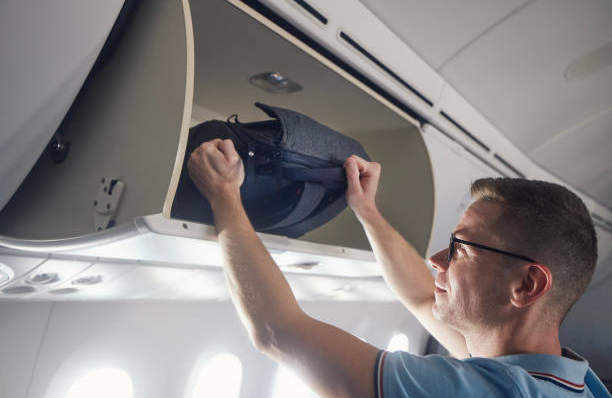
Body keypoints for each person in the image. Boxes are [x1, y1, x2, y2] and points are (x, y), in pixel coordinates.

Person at [187, 138, 610, 397]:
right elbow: (422, 295)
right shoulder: (573, 384)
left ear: (527, 284)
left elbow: (278, 332)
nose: (436, 260)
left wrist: (224, 195)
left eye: (460, 249)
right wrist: (366, 210)